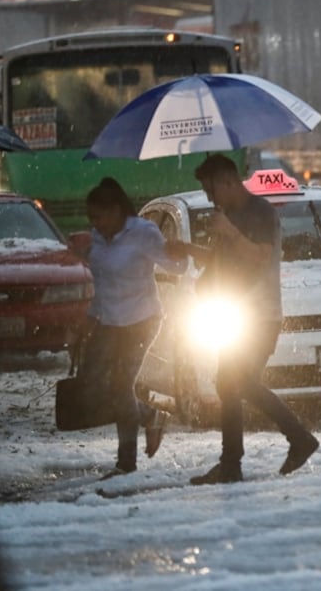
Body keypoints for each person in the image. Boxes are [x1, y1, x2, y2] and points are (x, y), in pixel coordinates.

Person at [166, 154, 318, 485]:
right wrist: (188, 249)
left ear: (228, 182)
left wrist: (230, 232)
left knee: (239, 382)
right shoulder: (229, 215)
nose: (210, 198)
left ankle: (299, 438)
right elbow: (224, 259)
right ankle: (232, 464)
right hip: (234, 312)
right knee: (229, 384)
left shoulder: (260, 212)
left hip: (260, 314)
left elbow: (261, 256)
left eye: (211, 191)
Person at [81, 177, 187, 477]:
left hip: (142, 319)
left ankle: (126, 462)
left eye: (99, 216)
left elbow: (176, 267)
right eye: (92, 218)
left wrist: (180, 252)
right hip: (109, 320)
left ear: (115, 211)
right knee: (97, 384)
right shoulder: (99, 237)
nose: (95, 223)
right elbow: (102, 283)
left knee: (120, 386)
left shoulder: (144, 232)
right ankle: (151, 415)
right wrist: (89, 318)